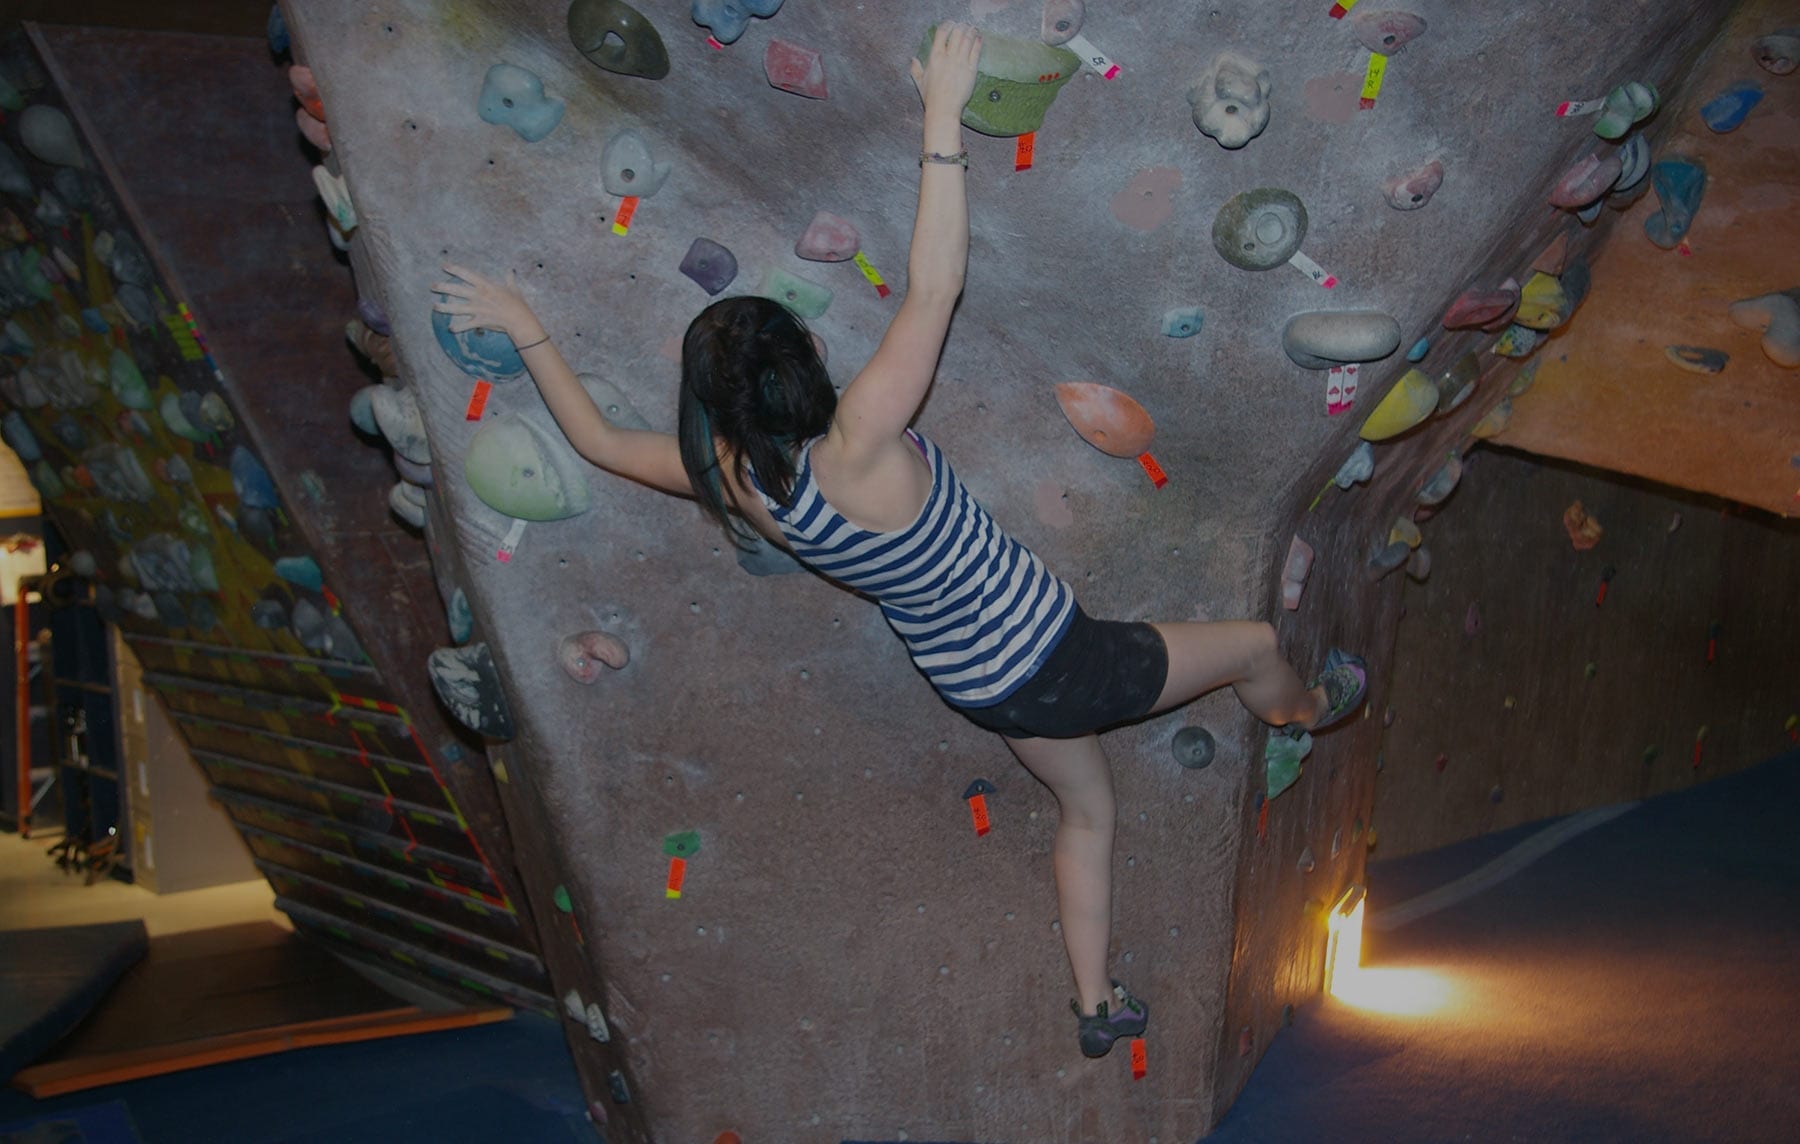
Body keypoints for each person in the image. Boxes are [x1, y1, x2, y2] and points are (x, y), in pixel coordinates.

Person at [432, 21, 1367, 1060]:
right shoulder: (860, 440)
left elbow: (602, 441)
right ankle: (1314, 710)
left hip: (973, 681)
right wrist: (938, 113)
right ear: (803, 367)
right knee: (1244, 642)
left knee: (1087, 812)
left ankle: (1099, 1005)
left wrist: (527, 327)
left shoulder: (739, 481)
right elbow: (934, 285)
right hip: (1062, 657)